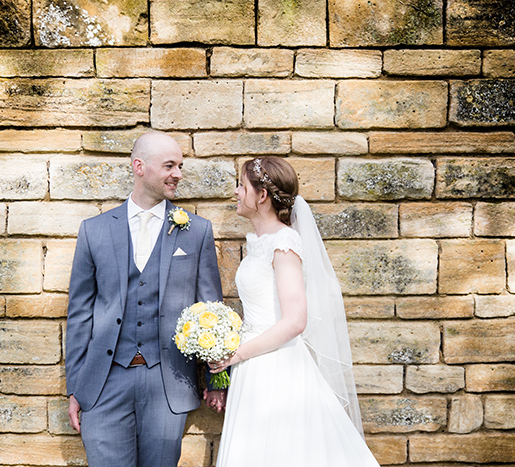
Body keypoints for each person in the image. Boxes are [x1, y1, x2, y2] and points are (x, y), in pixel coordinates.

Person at [65, 132, 226, 467]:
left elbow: (211, 310)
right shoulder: (93, 230)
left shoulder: (196, 231)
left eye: (180, 166)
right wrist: (75, 387)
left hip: (167, 382)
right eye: (169, 165)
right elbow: (80, 314)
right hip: (104, 383)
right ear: (139, 166)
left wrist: (216, 381)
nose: (178, 173)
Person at [210, 156, 380, 466]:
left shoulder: (283, 244)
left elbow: (294, 321)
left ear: (261, 196)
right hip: (256, 364)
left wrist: (236, 354)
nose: (235, 192)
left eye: (241, 186)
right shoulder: (261, 242)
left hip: (276, 366)